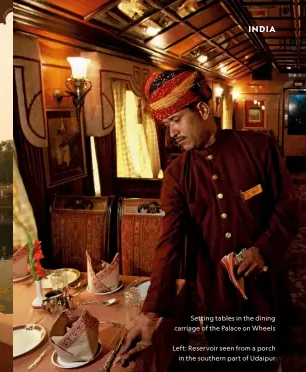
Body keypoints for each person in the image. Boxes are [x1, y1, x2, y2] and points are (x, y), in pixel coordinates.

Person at [115, 69, 301, 371]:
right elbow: (169, 242)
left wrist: (262, 249)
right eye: (166, 125)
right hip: (217, 292)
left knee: (268, 353)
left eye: (176, 120)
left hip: (265, 281)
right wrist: (150, 314)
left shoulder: (258, 148)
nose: (171, 133)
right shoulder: (177, 175)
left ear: (202, 109)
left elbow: (288, 208)